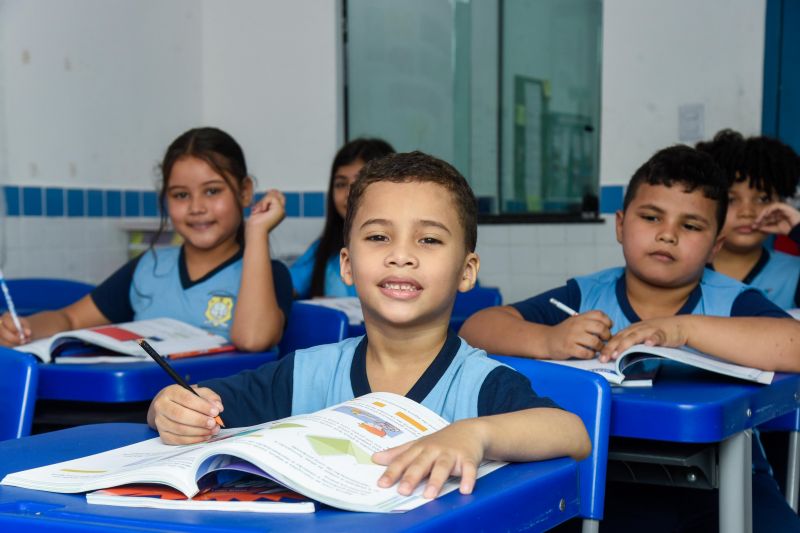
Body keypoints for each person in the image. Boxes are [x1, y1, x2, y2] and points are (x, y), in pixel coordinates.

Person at [147, 151, 590, 499]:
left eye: (429, 239)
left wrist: (474, 434)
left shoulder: (477, 384)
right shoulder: (306, 373)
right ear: (347, 264)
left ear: (466, 271)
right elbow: (199, 405)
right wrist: (170, 407)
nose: (401, 255)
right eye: (378, 237)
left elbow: (572, 433)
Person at [461, 144, 800, 532]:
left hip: (726, 481)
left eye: (690, 226)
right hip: (608, 476)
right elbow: (477, 328)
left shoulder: (730, 299)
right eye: (652, 217)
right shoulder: (586, 295)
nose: (668, 235)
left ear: (715, 246)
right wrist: (549, 338)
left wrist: (682, 328)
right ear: (621, 225)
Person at [0, 127, 293, 352]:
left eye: (212, 191)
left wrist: (257, 230)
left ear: (244, 191)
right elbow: (70, 320)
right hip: (142, 410)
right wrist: (27, 328)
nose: (196, 207)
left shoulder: (268, 275)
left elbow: (254, 339)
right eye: (180, 195)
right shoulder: (149, 266)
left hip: (216, 420)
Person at [696, 130, 800, 309]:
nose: (747, 212)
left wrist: (798, 229)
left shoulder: (794, 272)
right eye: (731, 199)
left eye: (763, 199)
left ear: (781, 204)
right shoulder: (686, 269)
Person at [290, 138, 394, 298]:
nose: (349, 193)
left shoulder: (406, 252)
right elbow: (282, 293)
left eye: (361, 181)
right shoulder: (323, 251)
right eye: (340, 184)